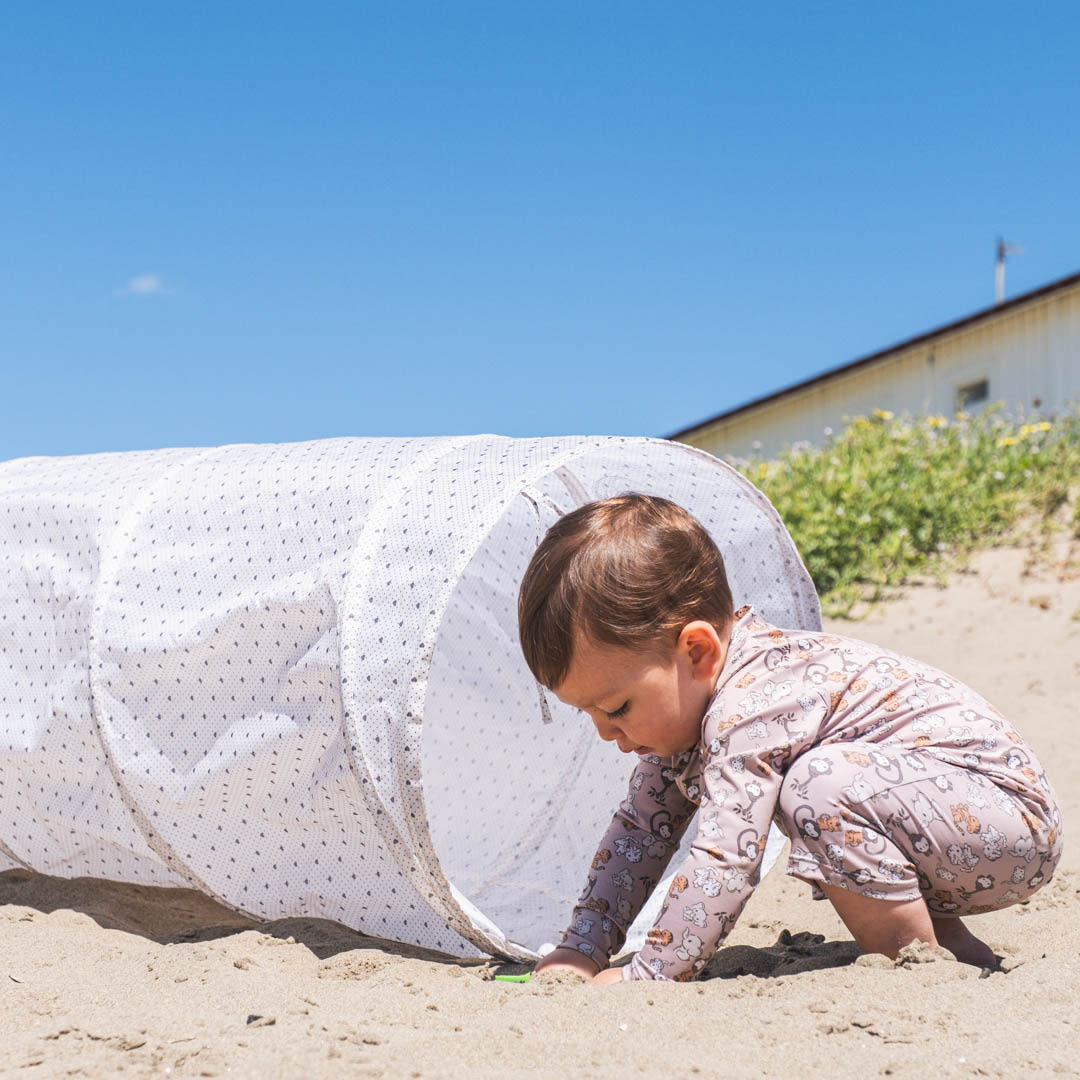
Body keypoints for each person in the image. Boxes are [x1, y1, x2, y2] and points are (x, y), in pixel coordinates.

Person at [516, 493, 1063, 983]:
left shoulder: (752, 704)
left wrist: (653, 973)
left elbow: (724, 859)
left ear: (697, 652)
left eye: (616, 708)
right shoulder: (691, 725)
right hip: (947, 822)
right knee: (824, 785)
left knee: (818, 785)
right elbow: (640, 833)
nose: (605, 732)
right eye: (586, 712)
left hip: (1005, 816)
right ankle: (955, 949)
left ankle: (911, 961)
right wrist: (580, 948)